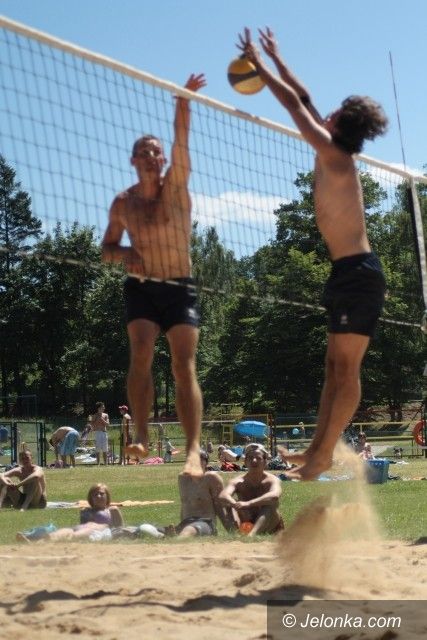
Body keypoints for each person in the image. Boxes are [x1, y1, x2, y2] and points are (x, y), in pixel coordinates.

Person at [238, 27, 388, 480]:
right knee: (332, 368)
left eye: (334, 110)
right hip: (346, 273)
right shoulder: (331, 149)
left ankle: (324, 453)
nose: (326, 111)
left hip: (359, 274)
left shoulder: (335, 154)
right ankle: (316, 449)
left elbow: (293, 105)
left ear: (340, 122)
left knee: (346, 369)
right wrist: (276, 57)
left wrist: (259, 66)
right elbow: (302, 97)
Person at [101, 73, 206, 477]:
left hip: (179, 286)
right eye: (143, 152)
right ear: (133, 160)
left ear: (162, 160)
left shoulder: (175, 187)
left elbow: (183, 143)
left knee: (183, 364)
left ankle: (193, 449)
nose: (150, 156)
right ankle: (141, 433)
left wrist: (183, 101)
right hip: (142, 288)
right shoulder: (123, 202)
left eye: (155, 151)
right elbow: (107, 249)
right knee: (141, 350)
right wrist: (126, 253)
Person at [17, 483, 123, 542]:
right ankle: (35, 542)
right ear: (91, 498)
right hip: (81, 528)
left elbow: (120, 529)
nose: (98, 496)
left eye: (101, 494)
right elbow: (83, 525)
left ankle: (39, 543)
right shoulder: (85, 511)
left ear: (107, 496)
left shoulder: (112, 510)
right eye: (95, 495)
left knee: (74, 534)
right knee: (62, 532)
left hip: (97, 530)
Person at [219, 443, 284, 537]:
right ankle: (235, 534)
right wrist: (236, 505)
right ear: (245, 462)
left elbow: (274, 496)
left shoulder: (273, 480)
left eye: (258, 458)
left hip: (269, 524)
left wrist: (248, 504)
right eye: (250, 458)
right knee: (227, 505)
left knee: (269, 506)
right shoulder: (237, 481)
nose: (254, 461)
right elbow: (223, 496)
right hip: (246, 522)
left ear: (265, 462)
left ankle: (251, 535)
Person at [166, 450, 233, 537]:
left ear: (206, 463)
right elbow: (184, 505)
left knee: (189, 529)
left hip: (206, 523)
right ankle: (177, 535)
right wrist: (181, 525)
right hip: (186, 523)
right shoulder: (182, 478)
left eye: (200, 459)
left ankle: (177, 540)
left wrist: (231, 530)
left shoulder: (211, 478)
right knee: (150, 529)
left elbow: (220, 507)